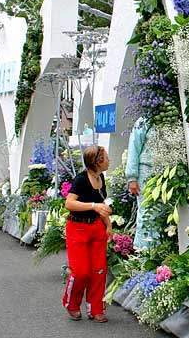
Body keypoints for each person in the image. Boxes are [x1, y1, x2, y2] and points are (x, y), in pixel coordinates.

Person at [63, 145, 113, 323]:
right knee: (81, 272)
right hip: (77, 228)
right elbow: (69, 203)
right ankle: (72, 304)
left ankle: (96, 308)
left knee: (99, 270)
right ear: (98, 161)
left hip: (96, 227)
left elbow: (102, 204)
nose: (109, 160)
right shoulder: (81, 180)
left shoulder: (100, 178)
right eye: (106, 157)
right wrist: (93, 206)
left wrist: (108, 225)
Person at [125, 117, 155, 249]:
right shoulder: (144, 121)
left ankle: (160, 252)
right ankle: (143, 253)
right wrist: (132, 178)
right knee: (147, 213)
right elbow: (134, 147)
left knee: (162, 213)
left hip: (166, 172)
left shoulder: (172, 117)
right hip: (146, 172)